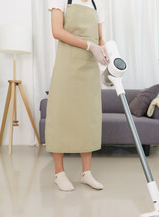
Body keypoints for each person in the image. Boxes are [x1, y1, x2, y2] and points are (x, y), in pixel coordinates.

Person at [46, 0, 109, 191]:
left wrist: (106, 59)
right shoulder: (60, 1)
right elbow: (57, 31)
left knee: (87, 117)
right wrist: (90, 46)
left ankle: (86, 173)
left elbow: (100, 38)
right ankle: (59, 173)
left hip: (89, 68)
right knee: (61, 115)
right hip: (67, 65)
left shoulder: (97, 4)